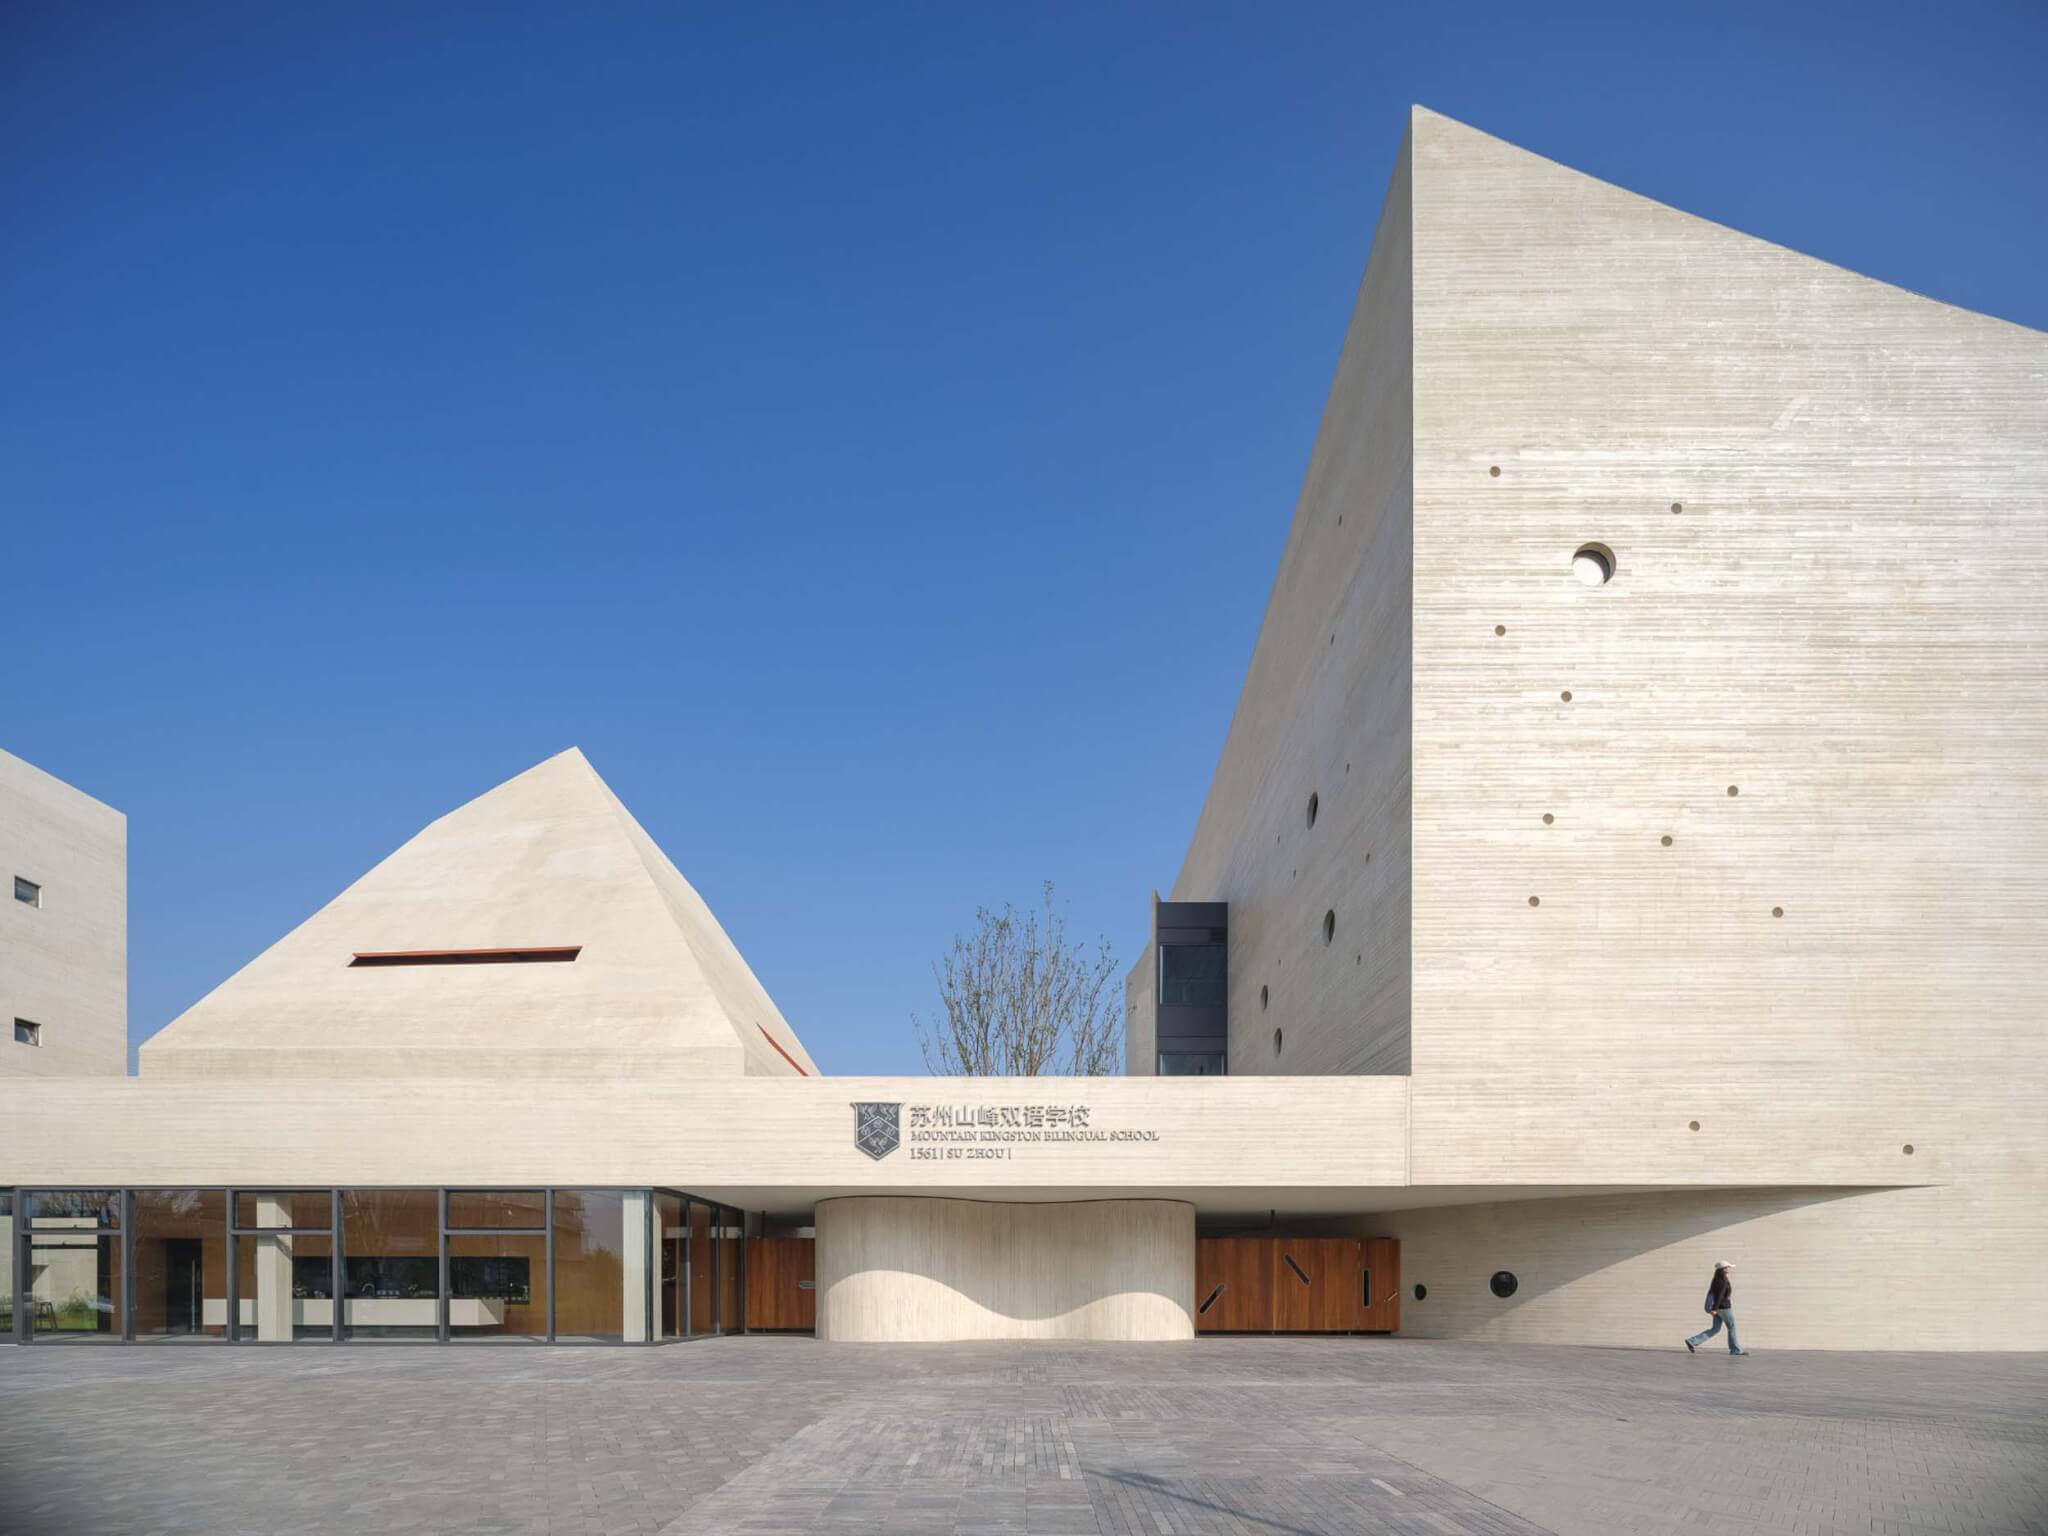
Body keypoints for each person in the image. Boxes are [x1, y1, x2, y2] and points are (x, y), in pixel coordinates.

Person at [1685, 1261, 1745, 1354]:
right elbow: (1720, 1295)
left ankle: (1692, 1341)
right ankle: (1735, 1349)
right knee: (1731, 1327)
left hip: (1717, 1308)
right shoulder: (1723, 1280)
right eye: (1727, 1267)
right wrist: (1714, 1309)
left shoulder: (1716, 1279)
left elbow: (1715, 1294)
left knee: (1715, 1329)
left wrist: (1714, 1308)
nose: (1728, 1269)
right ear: (1723, 1269)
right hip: (1723, 1308)